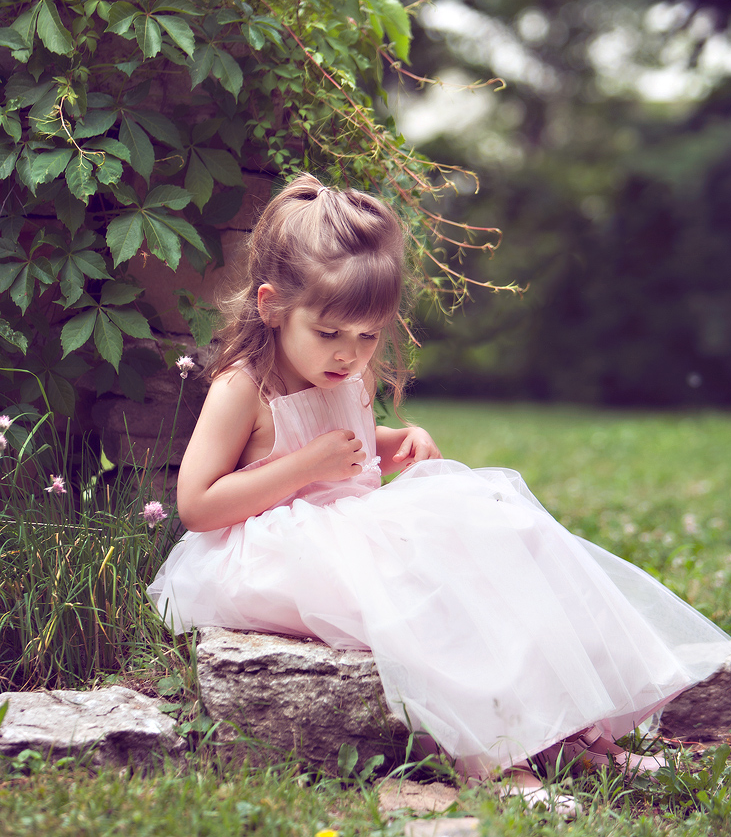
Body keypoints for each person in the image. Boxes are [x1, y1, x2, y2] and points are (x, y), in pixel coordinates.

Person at [149, 173, 731, 815]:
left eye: (368, 336)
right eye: (331, 333)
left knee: (506, 535)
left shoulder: (349, 369)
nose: (349, 353)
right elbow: (197, 505)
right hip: (276, 547)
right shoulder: (243, 385)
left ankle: (573, 731)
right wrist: (303, 465)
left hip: (353, 522)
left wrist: (394, 442)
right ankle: (495, 756)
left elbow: (352, 442)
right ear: (270, 305)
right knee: (427, 590)